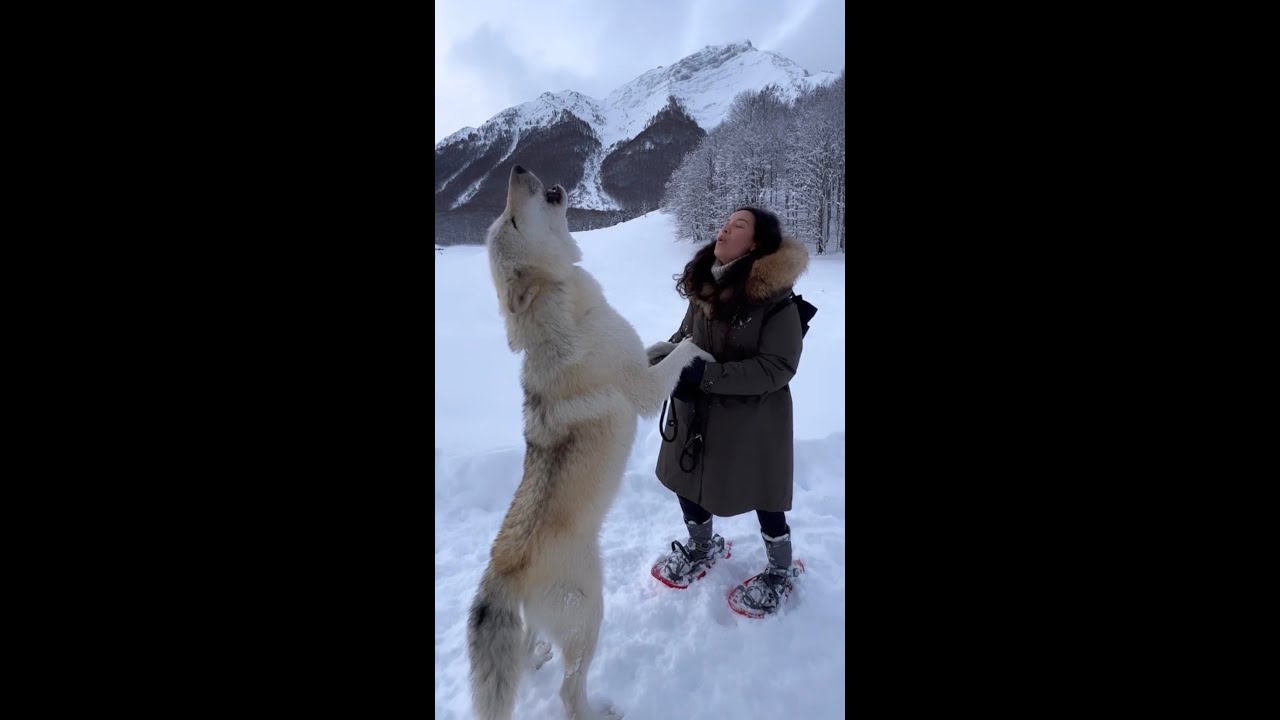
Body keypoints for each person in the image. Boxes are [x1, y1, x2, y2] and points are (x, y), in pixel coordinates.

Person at [646, 206, 809, 618]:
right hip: (695, 410)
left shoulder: (776, 299)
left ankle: (780, 569)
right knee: (686, 478)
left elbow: (778, 367)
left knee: (763, 492)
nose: (723, 229)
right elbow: (686, 335)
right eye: (724, 223)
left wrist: (706, 375)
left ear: (755, 244)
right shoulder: (706, 286)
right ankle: (702, 547)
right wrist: (664, 359)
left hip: (752, 419)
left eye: (738, 226)